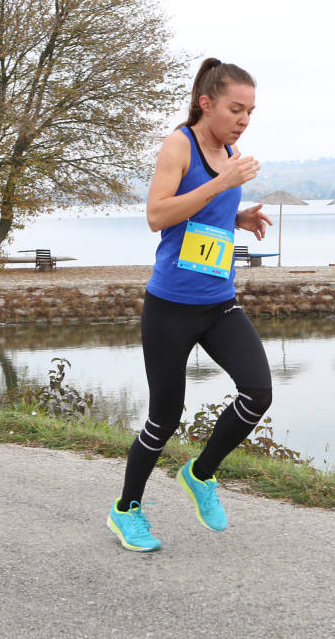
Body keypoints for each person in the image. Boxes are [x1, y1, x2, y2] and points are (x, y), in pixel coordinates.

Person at [106, 58, 274, 552]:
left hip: (219, 301)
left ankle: (200, 474)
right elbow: (158, 215)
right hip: (170, 307)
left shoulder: (230, 152)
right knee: (164, 418)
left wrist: (237, 217)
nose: (244, 120)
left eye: (251, 112)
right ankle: (126, 510)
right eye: (236, 109)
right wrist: (222, 184)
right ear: (206, 103)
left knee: (258, 392)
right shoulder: (179, 145)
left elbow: (204, 214)